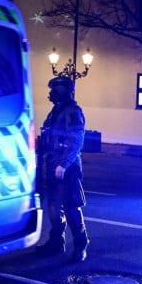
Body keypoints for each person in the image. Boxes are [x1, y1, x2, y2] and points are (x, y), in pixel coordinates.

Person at [36, 75, 89, 262]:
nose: (52, 92)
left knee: (71, 207)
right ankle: (56, 243)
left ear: (66, 91)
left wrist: (64, 164)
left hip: (67, 168)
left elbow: (76, 140)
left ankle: (81, 246)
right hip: (52, 165)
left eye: (56, 89)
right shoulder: (55, 111)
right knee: (53, 207)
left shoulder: (73, 112)